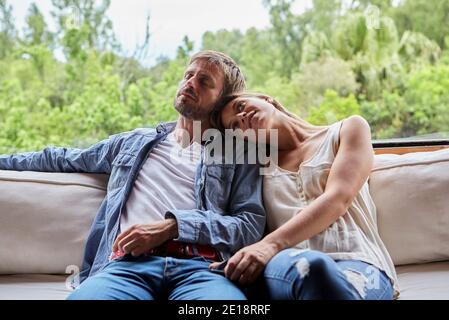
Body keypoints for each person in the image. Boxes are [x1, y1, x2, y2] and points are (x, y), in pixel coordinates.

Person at [0, 51, 266, 300]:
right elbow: (61, 158)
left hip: (201, 269)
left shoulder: (237, 153)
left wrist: (174, 226)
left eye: (204, 81)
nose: (190, 83)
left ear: (221, 100)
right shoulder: (136, 142)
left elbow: (249, 226)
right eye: (188, 75)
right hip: (126, 266)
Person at [210, 92, 400, 300]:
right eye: (236, 126)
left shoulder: (347, 130)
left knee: (319, 272)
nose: (243, 117)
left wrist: (269, 245)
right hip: (288, 268)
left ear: (266, 99)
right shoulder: (257, 168)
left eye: (240, 106)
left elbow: (338, 198)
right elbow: (245, 220)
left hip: (358, 262)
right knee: (310, 266)